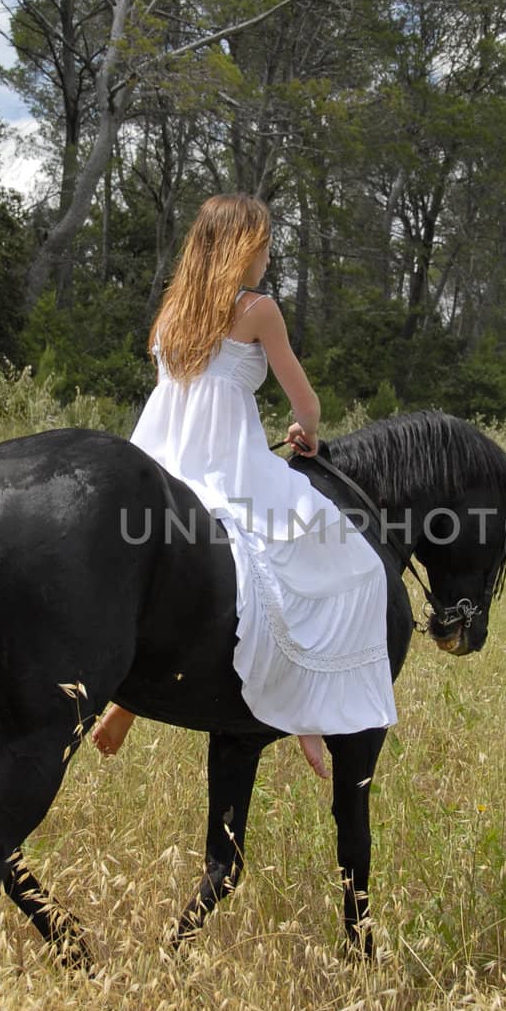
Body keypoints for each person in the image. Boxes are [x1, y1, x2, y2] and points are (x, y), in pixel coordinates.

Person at [91, 193, 397, 779]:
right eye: (263, 242)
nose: (268, 254)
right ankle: (310, 713)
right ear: (242, 247)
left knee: (246, 575)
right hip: (226, 467)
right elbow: (306, 402)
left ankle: (135, 702)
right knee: (347, 562)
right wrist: (304, 434)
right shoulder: (258, 309)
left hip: (158, 463)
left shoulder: (172, 309)